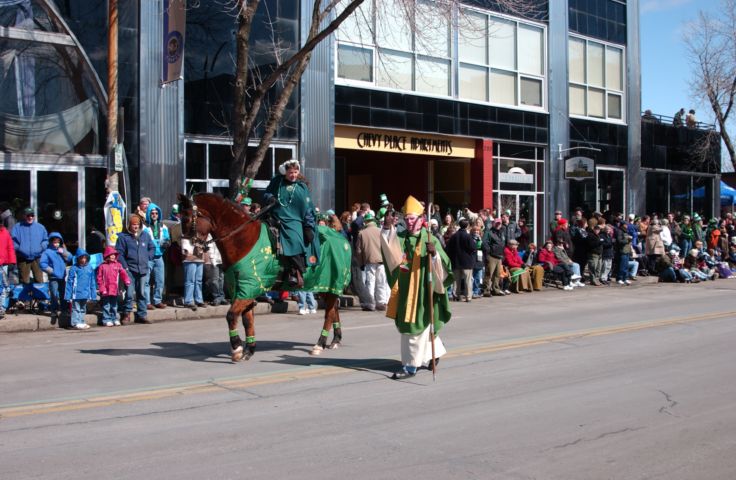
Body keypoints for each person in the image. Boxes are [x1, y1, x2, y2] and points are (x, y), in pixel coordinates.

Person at [380, 196, 453, 380]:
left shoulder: (430, 239)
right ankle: (434, 353)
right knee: (419, 325)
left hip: (424, 290)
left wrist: (434, 254)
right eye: (407, 219)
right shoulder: (402, 238)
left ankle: (410, 366)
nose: (409, 222)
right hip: (406, 289)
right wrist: (388, 227)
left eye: (412, 218)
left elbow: (445, 266)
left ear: (422, 219)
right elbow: (390, 252)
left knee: (414, 326)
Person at [263, 158, 319, 289]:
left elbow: (309, 208)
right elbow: (266, 193)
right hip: (275, 216)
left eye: (295, 172)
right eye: (290, 172)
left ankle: (296, 271)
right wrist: (270, 197)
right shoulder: (277, 181)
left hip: (295, 220)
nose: (293, 175)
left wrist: (308, 226)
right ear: (285, 172)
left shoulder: (302, 186)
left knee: (294, 239)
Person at [116, 215, 154, 324]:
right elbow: (119, 253)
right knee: (129, 293)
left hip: (143, 268)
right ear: (129, 225)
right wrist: (125, 266)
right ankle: (126, 314)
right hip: (130, 269)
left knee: (141, 293)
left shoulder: (145, 235)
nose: (136, 226)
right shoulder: (123, 237)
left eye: (137, 224)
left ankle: (142, 315)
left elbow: (152, 248)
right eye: (133, 224)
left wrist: (148, 257)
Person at [355, 212, 389, 311]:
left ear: (365, 222)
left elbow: (358, 250)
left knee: (370, 282)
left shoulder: (362, 233)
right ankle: (381, 302)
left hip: (369, 261)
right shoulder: (381, 231)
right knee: (381, 282)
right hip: (382, 261)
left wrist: (361, 263)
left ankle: (370, 303)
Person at [39, 232, 72, 324]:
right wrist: (51, 271)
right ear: (50, 242)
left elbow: (70, 258)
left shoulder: (61, 250)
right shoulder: (47, 252)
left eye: (58, 242)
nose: (56, 244)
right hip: (53, 277)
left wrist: (63, 252)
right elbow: (42, 264)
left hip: (62, 276)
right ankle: (54, 312)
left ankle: (64, 310)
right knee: (54, 295)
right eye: (54, 242)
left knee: (63, 294)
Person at [143, 203, 170, 309]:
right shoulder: (145, 226)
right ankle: (146, 302)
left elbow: (167, 239)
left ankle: (157, 300)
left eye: (156, 213)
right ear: (149, 214)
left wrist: (167, 243)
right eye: (152, 213)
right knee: (146, 281)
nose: (154, 215)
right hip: (148, 257)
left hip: (159, 257)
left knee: (160, 280)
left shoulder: (163, 226)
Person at [11, 207, 48, 285]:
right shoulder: (17, 227)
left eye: (32, 215)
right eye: (28, 215)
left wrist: (41, 248)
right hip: (23, 258)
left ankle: (38, 297)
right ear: (24, 216)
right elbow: (13, 240)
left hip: (37, 257)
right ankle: (26, 297)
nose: (30, 217)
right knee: (24, 281)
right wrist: (19, 249)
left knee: (39, 279)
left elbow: (45, 240)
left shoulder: (40, 227)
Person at [97, 246, 131, 327]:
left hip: (115, 289)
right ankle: (106, 319)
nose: (113, 256)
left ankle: (114, 318)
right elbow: (99, 278)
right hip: (106, 289)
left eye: (114, 255)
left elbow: (123, 273)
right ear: (107, 256)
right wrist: (102, 288)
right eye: (111, 255)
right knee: (106, 305)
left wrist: (126, 280)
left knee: (114, 305)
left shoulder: (118, 265)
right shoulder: (102, 266)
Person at [64, 249, 96, 330]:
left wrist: (93, 294)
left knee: (83, 309)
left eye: (85, 258)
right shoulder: (74, 268)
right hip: (76, 294)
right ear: (78, 258)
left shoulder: (90, 268)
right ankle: (75, 323)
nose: (83, 259)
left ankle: (81, 321)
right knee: (76, 308)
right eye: (81, 258)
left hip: (85, 293)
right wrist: (68, 295)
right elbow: (69, 282)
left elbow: (92, 282)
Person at [446, 218, 476, 302]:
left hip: (456, 261)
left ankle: (456, 295)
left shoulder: (454, 236)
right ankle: (468, 296)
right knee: (467, 280)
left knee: (456, 280)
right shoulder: (468, 236)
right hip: (466, 261)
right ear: (467, 226)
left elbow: (448, 249)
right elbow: (473, 248)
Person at [181, 226, 207, 311]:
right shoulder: (185, 233)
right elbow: (185, 248)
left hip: (200, 258)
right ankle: (188, 301)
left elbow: (204, 245)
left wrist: (203, 247)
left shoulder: (201, 234)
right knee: (190, 280)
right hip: (189, 259)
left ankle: (199, 299)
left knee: (198, 280)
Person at [483, 218, 506, 296]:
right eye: (496, 223)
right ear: (493, 223)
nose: (498, 225)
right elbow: (485, 243)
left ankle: (496, 289)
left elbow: (503, 244)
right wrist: (489, 252)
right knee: (489, 274)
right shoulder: (489, 232)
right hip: (491, 256)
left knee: (497, 274)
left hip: (499, 256)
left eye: (499, 223)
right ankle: (486, 290)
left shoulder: (502, 233)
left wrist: (503, 255)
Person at [204, 235, 227, 306]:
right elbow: (209, 248)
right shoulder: (209, 236)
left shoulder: (220, 233)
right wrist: (212, 259)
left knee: (221, 279)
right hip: (214, 260)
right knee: (214, 280)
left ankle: (221, 297)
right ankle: (216, 297)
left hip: (221, 259)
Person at [0, 220, 16, 319]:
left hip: (4, 264)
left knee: (4, 288)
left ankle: (2, 308)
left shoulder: (5, 233)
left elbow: (10, 247)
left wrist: (12, 261)